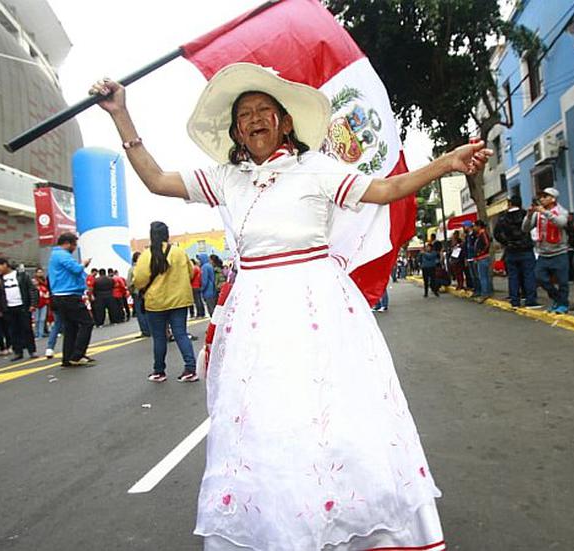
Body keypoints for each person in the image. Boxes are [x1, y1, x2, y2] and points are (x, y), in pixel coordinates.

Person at [91, 64, 490, 549]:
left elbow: (385, 190)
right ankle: (283, 528)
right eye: (245, 115)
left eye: (265, 111)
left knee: (335, 415)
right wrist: (122, 116)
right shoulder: (223, 178)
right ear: (236, 130)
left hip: (321, 312)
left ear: (284, 122)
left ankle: (360, 529)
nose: (255, 119)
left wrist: (445, 162)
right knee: (268, 424)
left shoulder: (318, 168)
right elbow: (156, 180)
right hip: (256, 320)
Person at [132, 221, 198, 382]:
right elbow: (191, 272)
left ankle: (159, 371)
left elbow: (139, 279)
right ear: (167, 235)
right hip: (179, 300)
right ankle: (190, 369)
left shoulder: (146, 255)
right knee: (181, 333)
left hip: (155, 302)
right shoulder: (179, 252)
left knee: (159, 337)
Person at [47, 232, 95, 366]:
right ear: (67, 243)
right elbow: (76, 269)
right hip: (68, 295)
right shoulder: (62, 255)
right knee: (87, 323)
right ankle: (77, 355)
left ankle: (68, 358)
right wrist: (84, 264)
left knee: (70, 327)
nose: (75, 247)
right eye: (74, 244)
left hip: (61, 296)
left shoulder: (55, 255)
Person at [523, 187, 571, 314]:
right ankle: (557, 299)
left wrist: (545, 212)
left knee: (562, 282)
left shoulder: (561, 211)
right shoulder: (537, 214)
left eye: (545, 196)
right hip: (543, 253)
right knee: (540, 278)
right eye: (541, 197)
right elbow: (525, 228)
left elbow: (561, 223)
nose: (542, 199)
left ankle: (563, 305)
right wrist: (528, 215)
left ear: (553, 199)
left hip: (559, 252)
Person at [494, 195, 539, 308]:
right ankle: (530, 300)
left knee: (513, 277)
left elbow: (496, 234)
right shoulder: (526, 215)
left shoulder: (503, 218)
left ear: (510, 204)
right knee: (529, 275)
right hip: (526, 249)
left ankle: (515, 300)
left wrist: (506, 242)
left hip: (511, 251)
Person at [0, 258, 38, 361]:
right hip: (8, 308)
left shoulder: (22, 275)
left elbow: (32, 289)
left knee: (27, 329)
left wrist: (33, 304)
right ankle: (18, 352)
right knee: (13, 331)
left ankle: (32, 350)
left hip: (22, 306)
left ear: (5, 264)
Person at [128, 250, 151, 337]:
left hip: (137, 292)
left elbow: (129, 283)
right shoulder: (146, 268)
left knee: (140, 312)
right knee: (148, 311)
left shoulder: (132, 269)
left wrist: (131, 291)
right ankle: (151, 329)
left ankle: (145, 331)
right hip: (147, 292)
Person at [472, 219, 493, 301]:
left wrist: (480, 253)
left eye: (475, 226)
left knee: (483, 277)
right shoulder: (479, 235)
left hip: (483, 258)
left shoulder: (483, 233)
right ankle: (487, 292)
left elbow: (487, 243)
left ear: (479, 226)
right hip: (481, 258)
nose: (474, 228)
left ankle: (485, 293)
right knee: (484, 276)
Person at [33, 274, 51, 338]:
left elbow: (47, 295)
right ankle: (36, 333)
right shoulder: (32, 289)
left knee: (42, 319)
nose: (34, 282)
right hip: (36, 305)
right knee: (36, 319)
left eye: (35, 281)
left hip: (43, 304)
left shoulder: (43, 288)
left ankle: (40, 333)